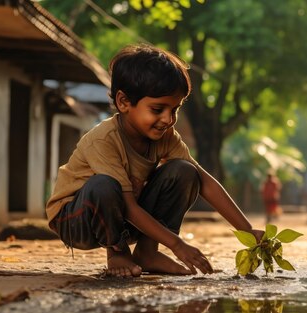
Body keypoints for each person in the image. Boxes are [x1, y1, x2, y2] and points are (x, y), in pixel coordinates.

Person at [46, 44, 262, 277]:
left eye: (175, 109)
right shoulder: (103, 140)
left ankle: (147, 253)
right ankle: (117, 253)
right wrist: (177, 245)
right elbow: (126, 205)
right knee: (105, 185)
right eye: (158, 109)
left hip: (125, 218)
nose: (168, 119)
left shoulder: (165, 137)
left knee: (185, 171)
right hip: (77, 221)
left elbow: (204, 182)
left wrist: (247, 231)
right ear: (123, 102)